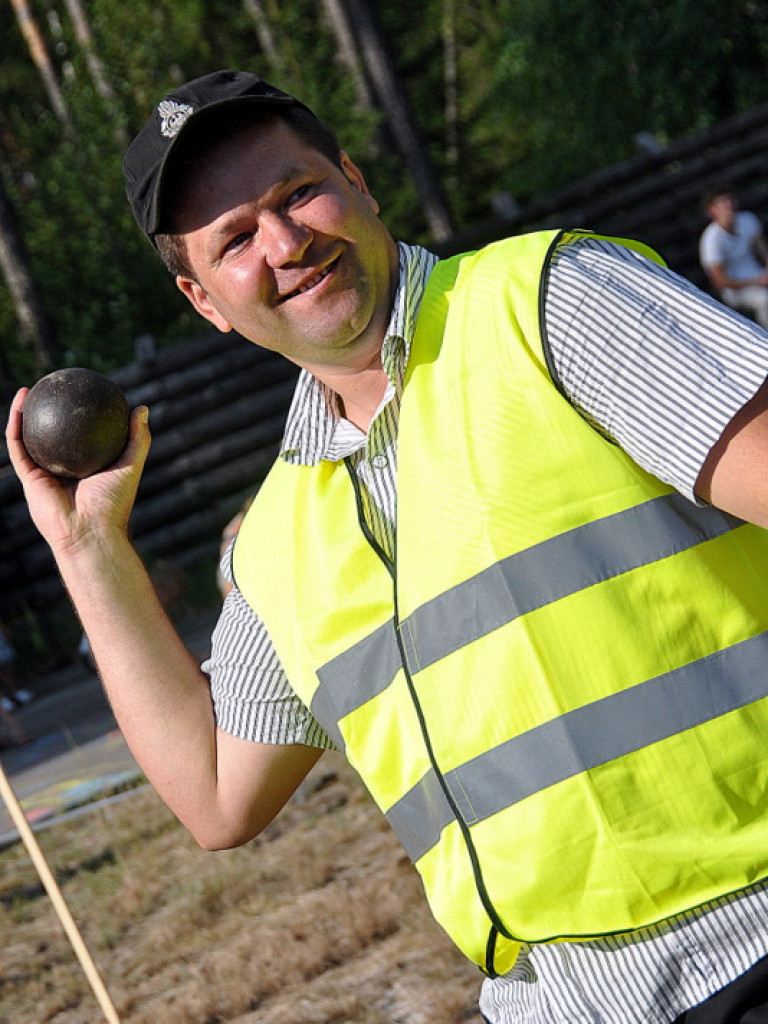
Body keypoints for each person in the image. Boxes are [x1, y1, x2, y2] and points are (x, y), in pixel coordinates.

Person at [6, 70, 768, 1024]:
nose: (286, 244)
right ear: (204, 301)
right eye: (236, 239)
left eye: (296, 194)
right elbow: (213, 796)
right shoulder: (278, 539)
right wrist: (87, 550)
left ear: (357, 180)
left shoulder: (547, 307)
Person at [699, 188, 768, 328]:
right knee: (764, 299)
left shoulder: (747, 220)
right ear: (712, 211)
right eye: (722, 203)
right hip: (736, 290)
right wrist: (756, 281)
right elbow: (720, 282)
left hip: (759, 275)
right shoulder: (711, 240)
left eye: (729, 201)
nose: (728, 206)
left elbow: (761, 248)